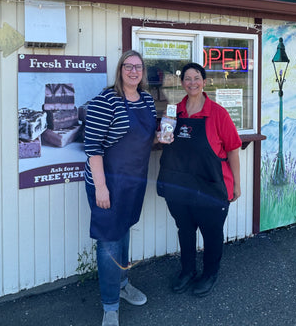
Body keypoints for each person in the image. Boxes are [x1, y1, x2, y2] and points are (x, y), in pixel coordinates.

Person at [84, 50, 157, 326]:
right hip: (108, 183)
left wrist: (165, 136)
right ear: (120, 70)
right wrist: (101, 188)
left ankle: (123, 284)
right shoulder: (107, 100)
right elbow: (92, 147)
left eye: (138, 67)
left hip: (133, 182)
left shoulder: (148, 100)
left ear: (143, 72)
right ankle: (110, 305)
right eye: (128, 66)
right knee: (109, 241)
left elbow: (149, 136)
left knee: (123, 232)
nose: (133, 71)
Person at [157, 62, 241, 297]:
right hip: (180, 186)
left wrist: (237, 184)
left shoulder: (218, 113)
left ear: (204, 82)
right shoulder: (174, 112)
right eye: (187, 78)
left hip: (211, 186)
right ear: (182, 83)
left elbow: (233, 149)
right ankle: (187, 270)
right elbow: (163, 139)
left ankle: (210, 273)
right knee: (184, 230)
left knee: (211, 233)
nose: (192, 82)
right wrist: (162, 137)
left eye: (197, 78)